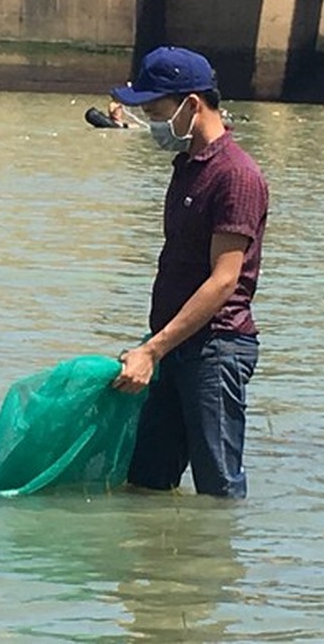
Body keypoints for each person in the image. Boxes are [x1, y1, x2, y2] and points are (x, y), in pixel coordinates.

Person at [109, 46, 268, 499]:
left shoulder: (235, 175)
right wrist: (154, 347)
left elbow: (223, 280)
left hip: (215, 352)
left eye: (156, 111)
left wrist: (152, 350)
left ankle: (212, 568)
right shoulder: (188, 168)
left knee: (218, 491)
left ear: (191, 105)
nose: (150, 124)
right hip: (172, 347)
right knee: (145, 484)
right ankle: (155, 566)